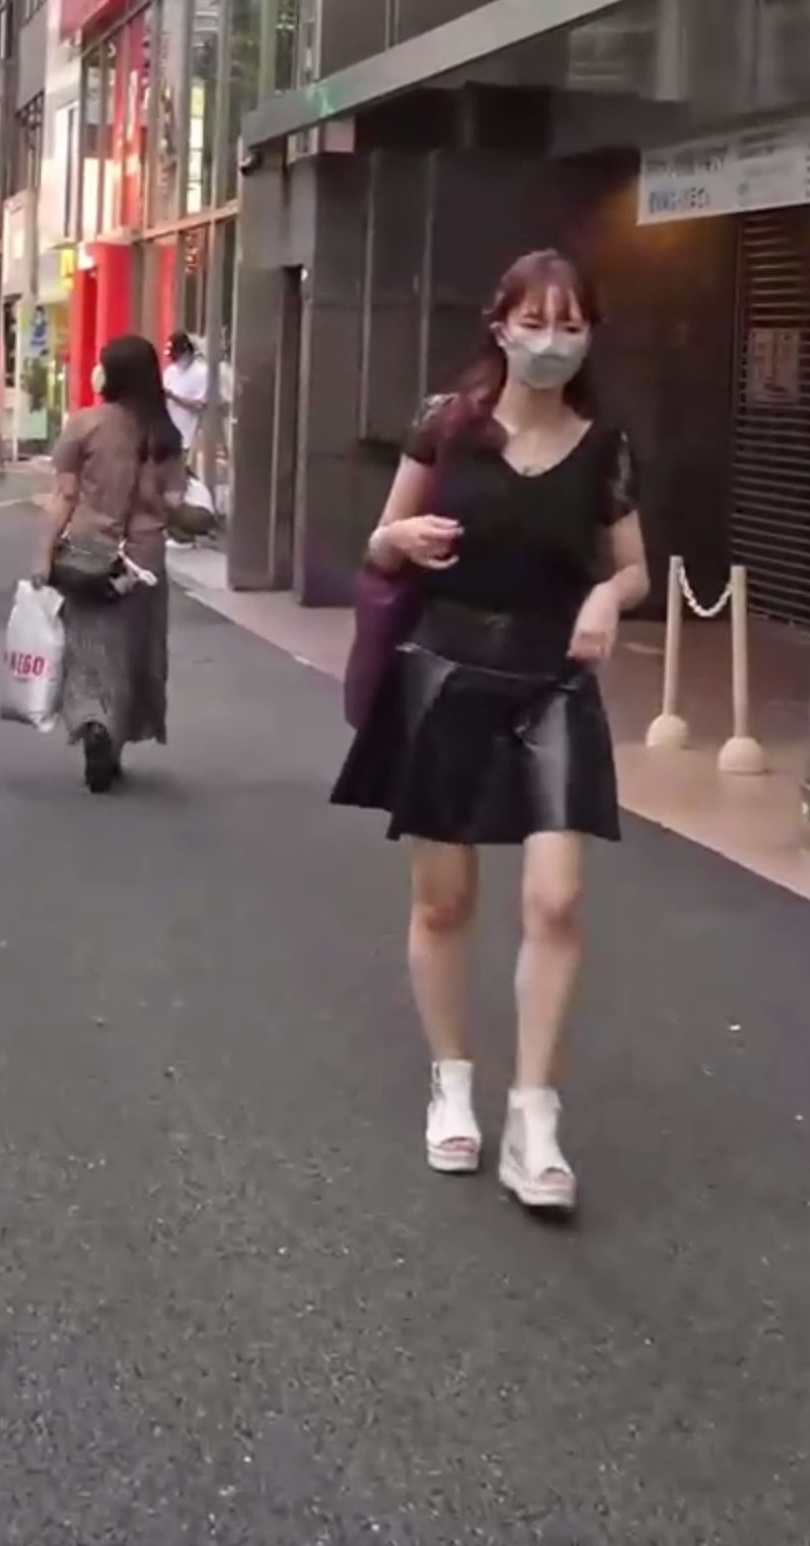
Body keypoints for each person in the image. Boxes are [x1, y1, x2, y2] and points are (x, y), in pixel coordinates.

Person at [331, 250, 646, 1215]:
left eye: (571, 324)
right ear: (499, 325)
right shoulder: (446, 428)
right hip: (445, 671)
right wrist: (404, 542)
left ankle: (534, 1119)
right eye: (535, 322)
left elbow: (635, 566)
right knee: (445, 903)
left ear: (589, 334)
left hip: (552, 683)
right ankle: (451, 1084)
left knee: (555, 900)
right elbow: (380, 539)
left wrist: (605, 597)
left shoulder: (605, 446)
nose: (552, 342)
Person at [35, 334, 188, 796]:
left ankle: (94, 723)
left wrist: (44, 553)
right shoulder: (165, 435)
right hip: (142, 555)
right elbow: (175, 503)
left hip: (89, 550)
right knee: (134, 648)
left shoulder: (84, 425)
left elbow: (64, 494)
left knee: (90, 647)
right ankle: (117, 737)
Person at [164, 330, 211, 462]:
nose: (174, 360)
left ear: (186, 352)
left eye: (176, 356)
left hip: (189, 436)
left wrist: (174, 397)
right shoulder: (170, 372)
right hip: (169, 435)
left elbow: (200, 405)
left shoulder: (201, 373)